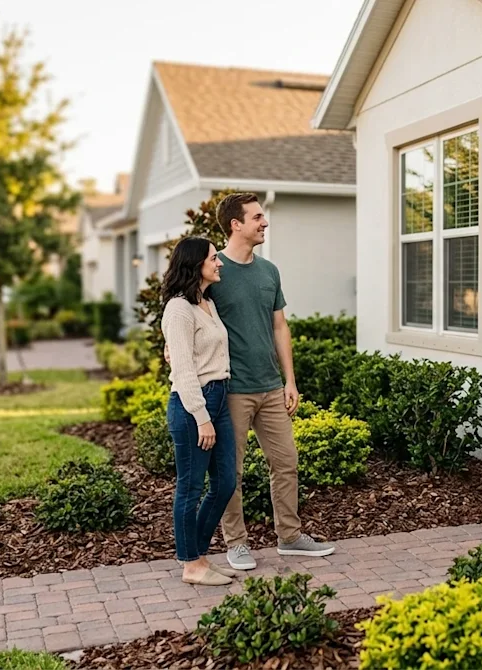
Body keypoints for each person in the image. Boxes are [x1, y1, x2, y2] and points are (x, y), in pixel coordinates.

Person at [208, 191, 335, 569]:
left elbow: (280, 326)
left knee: (286, 462)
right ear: (236, 224)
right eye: (257, 217)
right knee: (231, 471)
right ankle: (236, 543)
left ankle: (290, 536)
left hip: (270, 386)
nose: (265, 222)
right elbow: (186, 315)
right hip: (231, 389)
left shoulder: (269, 271)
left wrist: (290, 381)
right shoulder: (213, 271)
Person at [161, 236, 239, 585]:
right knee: (190, 488)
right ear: (195, 264)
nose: (219, 262)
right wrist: (201, 416)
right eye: (212, 258)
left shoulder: (206, 303)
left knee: (224, 483)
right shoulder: (178, 308)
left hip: (219, 397)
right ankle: (191, 565)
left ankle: (200, 556)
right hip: (195, 405)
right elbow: (184, 370)